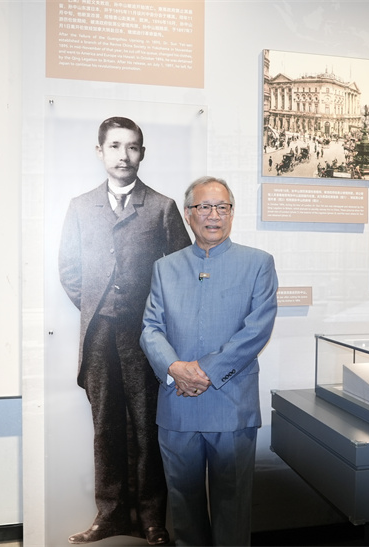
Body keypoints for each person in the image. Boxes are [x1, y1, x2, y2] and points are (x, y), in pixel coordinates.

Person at [59, 116, 190, 546]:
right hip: (98, 336)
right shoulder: (81, 206)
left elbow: (181, 273)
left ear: (142, 153)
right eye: (114, 146)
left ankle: (152, 518)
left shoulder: (162, 207)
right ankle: (110, 514)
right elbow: (69, 270)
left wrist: (152, 319)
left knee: (147, 426)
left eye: (132, 147)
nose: (123, 155)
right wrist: (99, 307)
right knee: (106, 426)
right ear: (100, 151)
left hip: (145, 338)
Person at [140, 176, 279, 546]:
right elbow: (150, 329)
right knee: (183, 509)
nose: (214, 215)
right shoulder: (165, 268)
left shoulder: (258, 264)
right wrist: (174, 368)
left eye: (222, 207)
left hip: (231, 407)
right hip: (178, 406)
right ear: (188, 214)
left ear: (231, 213)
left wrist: (205, 371)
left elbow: (257, 330)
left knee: (233, 509)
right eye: (204, 207)